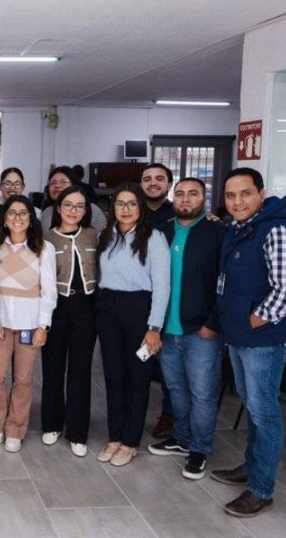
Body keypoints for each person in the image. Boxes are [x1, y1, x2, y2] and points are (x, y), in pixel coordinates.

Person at [210, 168, 286, 518]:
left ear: (261, 194)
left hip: (262, 339)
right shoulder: (241, 228)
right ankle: (250, 467)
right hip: (239, 335)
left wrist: (251, 321)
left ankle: (261, 489)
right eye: (231, 195)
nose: (237, 201)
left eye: (245, 193)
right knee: (251, 405)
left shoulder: (277, 229)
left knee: (264, 413)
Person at [146, 178, 225, 480]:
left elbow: (225, 283)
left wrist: (212, 324)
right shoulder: (162, 231)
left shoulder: (217, 232)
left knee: (203, 393)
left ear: (204, 198)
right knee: (175, 388)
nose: (185, 200)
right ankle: (181, 438)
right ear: (173, 198)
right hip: (166, 328)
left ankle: (200, 449)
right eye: (180, 194)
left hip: (201, 330)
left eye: (193, 194)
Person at [95, 182, 170, 467]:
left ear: (140, 207)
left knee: (138, 379)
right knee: (113, 376)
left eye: (132, 204)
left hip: (140, 313)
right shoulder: (106, 236)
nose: (125, 210)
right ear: (112, 208)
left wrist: (154, 328)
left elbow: (162, 287)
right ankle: (115, 436)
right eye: (120, 204)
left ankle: (130, 441)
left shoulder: (154, 238)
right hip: (108, 311)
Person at [0, 195, 57, 453]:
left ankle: (15, 428)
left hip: (30, 326)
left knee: (23, 379)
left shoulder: (43, 248)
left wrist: (43, 326)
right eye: (12, 213)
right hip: (0, 324)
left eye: (23, 213)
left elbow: (49, 292)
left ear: (31, 218)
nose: (17, 218)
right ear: (4, 218)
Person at [41, 184, 99, 457]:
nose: (73, 211)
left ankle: (77, 431)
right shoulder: (45, 239)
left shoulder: (94, 235)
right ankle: (52, 424)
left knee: (80, 371)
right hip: (55, 308)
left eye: (79, 206)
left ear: (86, 210)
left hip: (86, 307)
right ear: (58, 208)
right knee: (52, 369)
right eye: (68, 205)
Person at [141, 163, 178, 439]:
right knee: (141, 362)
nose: (153, 183)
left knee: (169, 366)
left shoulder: (179, 214)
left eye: (159, 179)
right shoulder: (133, 212)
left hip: (172, 300)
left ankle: (169, 414)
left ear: (169, 183)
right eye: (147, 179)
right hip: (139, 303)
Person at [40, 166, 107, 233]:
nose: (57, 185)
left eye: (63, 181)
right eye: (53, 183)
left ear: (74, 185)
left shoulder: (93, 211)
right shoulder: (46, 213)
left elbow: (104, 239)